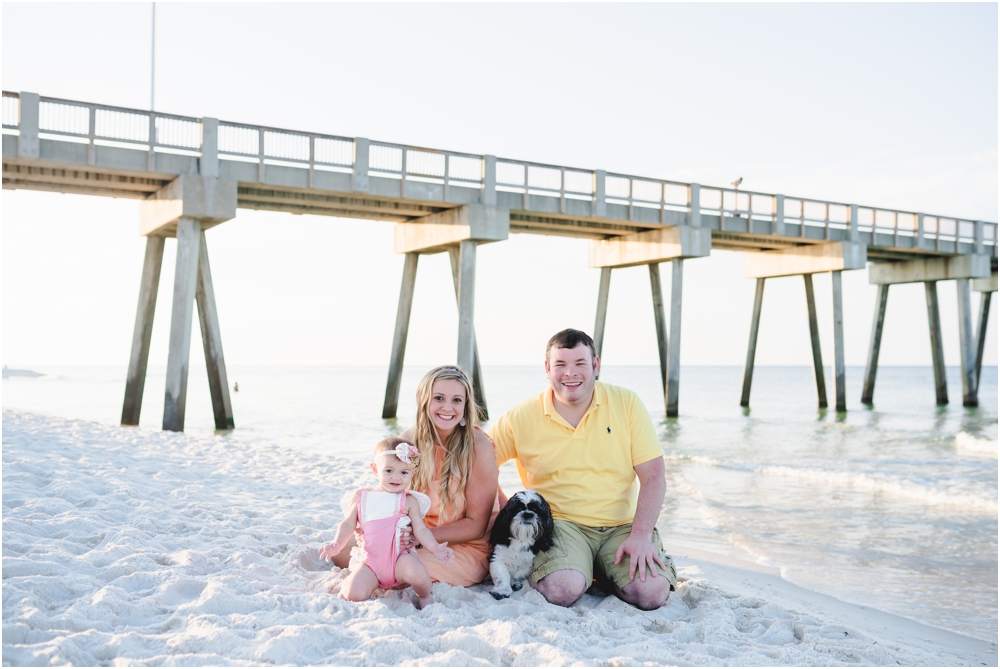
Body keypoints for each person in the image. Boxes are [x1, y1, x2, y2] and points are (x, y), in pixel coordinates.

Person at [488, 328, 676, 610]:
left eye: (580, 364)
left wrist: (640, 536)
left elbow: (653, 475)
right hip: (562, 526)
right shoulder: (520, 416)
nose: (570, 373)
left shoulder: (627, 403)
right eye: (560, 364)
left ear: (595, 365)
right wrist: (505, 509)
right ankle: (582, 569)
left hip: (623, 527)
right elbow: (481, 466)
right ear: (547, 368)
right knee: (562, 590)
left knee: (650, 595)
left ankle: (604, 570)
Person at [332, 365, 501, 586]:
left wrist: (417, 538)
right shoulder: (408, 442)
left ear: (466, 405)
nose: (448, 408)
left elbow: (475, 527)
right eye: (438, 398)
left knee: (395, 567)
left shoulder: (478, 446)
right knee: (342, 552)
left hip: (462, 544)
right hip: (412, 531)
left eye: (457, 400)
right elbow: (392, 490)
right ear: (423, 401)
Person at [319, 437, 454, 609]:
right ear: (375, 469)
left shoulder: (409, 500)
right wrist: (338, 543)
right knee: (354, 593)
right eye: (389, 471)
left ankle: (424, 596)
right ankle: (351, 584)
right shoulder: (362, 497)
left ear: (413, 473)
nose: (396, 477)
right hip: (370, 563)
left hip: (400, 561)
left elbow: (420, 529)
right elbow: (348, 524)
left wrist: (435, 548)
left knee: (418, 573)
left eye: (404, 472)